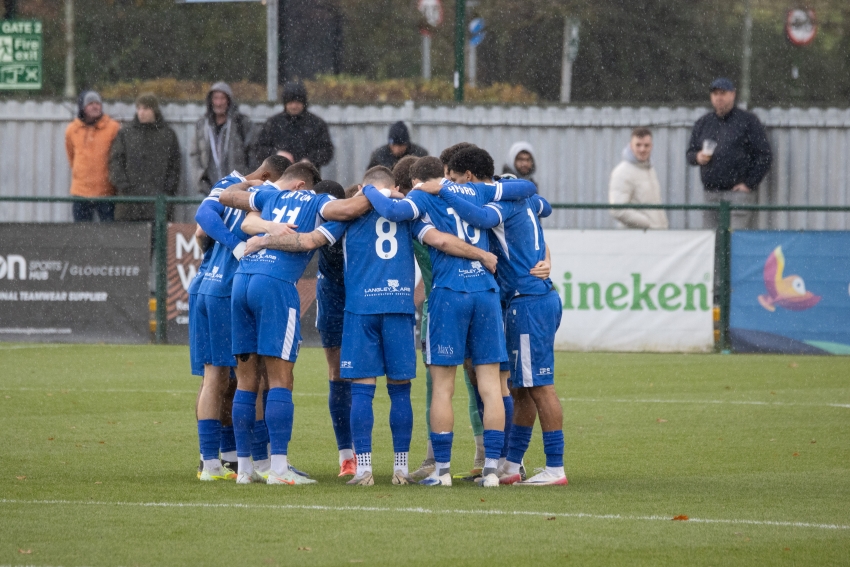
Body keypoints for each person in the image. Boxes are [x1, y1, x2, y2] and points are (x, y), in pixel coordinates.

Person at [242, 166, 499, 486]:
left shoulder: (348, 218)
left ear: (365, 189)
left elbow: (307, 241)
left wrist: (265, 240)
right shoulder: (408, 216)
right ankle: (400, 469)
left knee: (362, 391)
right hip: (399, 308)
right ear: (392, 187)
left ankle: (363, 469)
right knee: (400, 392)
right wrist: (482, 255)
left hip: (361, 310)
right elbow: (441, 240)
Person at [362, 149, 537, 488]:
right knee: (490, 385)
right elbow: (527, 189)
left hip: (448, 293)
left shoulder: (421, 200)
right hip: (485, 292)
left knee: (442, 387)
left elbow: (392, 210)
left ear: (416, 182)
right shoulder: (474, 189)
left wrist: (370, 188)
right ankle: (492, 469)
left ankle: (440, 470)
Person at [218, 163, 371, 485]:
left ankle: (244, 470)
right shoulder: (319, 204)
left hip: (241, 281)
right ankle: (278, 469)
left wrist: (264, 229)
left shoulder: (272, 197)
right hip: (274, 286)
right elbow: (332, 221)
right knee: (279, 380)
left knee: (246, 381)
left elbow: (229, 199)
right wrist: (376, 191)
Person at [422, 164, 567, 487]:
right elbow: (542, 207)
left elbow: (483, 219)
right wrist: (545, 257)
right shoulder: (518, 196)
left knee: (539, 385)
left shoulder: (495, 205)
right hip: (520, 299)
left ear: (469, 176)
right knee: (520, 387)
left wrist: (443, 190)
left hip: (527, 300)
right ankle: (511, 464)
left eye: (457, 180)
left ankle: (555, 467)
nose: (456, 187)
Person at [191, 156, 291, 482]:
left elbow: (201, 222)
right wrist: (237, 244)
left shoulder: (226, 188)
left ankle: (217, 461)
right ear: (267, 175)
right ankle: (260, 462)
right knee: (253, 378)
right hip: (226, 289)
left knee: (217, 378)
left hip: (204, 283)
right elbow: (202, 219)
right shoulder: (259, 198)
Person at [311, 179, 356, 478]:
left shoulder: (353, 220)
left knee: (369, 377)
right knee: (337, 373)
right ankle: (347, 456)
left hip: (364, 296)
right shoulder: (315, 222)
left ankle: (371, 454)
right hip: (331, 298)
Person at [686, 78, 772, 229]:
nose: (718, 97)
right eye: (715, 94)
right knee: (712, 241)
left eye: (723, 93)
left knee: (735, 240)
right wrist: (697, 157)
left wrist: (749, 184)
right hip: (711, 194)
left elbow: (764, 156)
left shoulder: (748, 121)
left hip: (738, 194)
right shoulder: (703, 122)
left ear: (733, 95)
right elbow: (690, 154)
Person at [109, 93, 181, 222]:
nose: (141, 112)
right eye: (139, 108)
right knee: (129, 240)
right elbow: (115, 161)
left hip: (157, 203)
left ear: (154, 110)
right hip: (129, 204)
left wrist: (166, 191)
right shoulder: (126, 134)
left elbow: (174, 166)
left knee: (158, 240)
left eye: (146, 108)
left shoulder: (167, 134)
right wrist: (125, 187)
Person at [65, 90, 120, 222]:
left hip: (106, 192)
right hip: (80, 192)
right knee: (81, 235)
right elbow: (71, 156)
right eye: (90, 104)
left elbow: (118, 157)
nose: (95, 106)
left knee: (110, 234)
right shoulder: (72, 129)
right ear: (82, 107)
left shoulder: (113, 128)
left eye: (97, 103)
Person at [191, 82, 254, 195]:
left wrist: (246, 178)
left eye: (222, 98)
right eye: (215, 98)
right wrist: (199, 178)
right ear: (210, 101)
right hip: (210, 189)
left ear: (229, 101)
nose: (218, 103)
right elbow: (195, 154)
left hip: (237, 188)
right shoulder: (202, 125)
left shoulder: (241, 123)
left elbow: (252, 152)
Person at [253, 81, 334, 170]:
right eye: (290, 102)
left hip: (308, 177)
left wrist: (310, 160)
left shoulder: (317, 124)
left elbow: (327, 151)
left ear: (304, 103)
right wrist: (277, 154)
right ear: (285, 103)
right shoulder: (273, 123)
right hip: (278, 177)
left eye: (298, 102)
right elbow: (259, 149)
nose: (294, 106)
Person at [608, 128, 669, 230]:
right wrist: (647, 223)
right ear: (631, 146)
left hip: (655, 235)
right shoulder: (622, 172)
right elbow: (617, 210)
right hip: (637, 237)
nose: (642, 149)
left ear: (652, 146)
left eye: (646, 145)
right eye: (638, 145)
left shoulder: (649, 169)